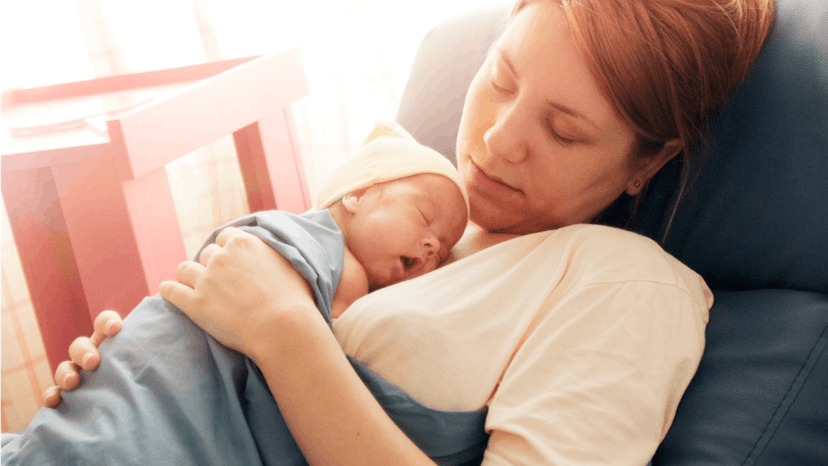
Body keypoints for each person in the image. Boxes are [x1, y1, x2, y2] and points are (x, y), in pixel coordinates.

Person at [40, 0, 775, 464]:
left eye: (563, 130)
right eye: (502, 78)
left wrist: (281, 331)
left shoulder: (624, 286)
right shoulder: (415, 216)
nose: (498, 137)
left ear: (649, 159)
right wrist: (135, 375)